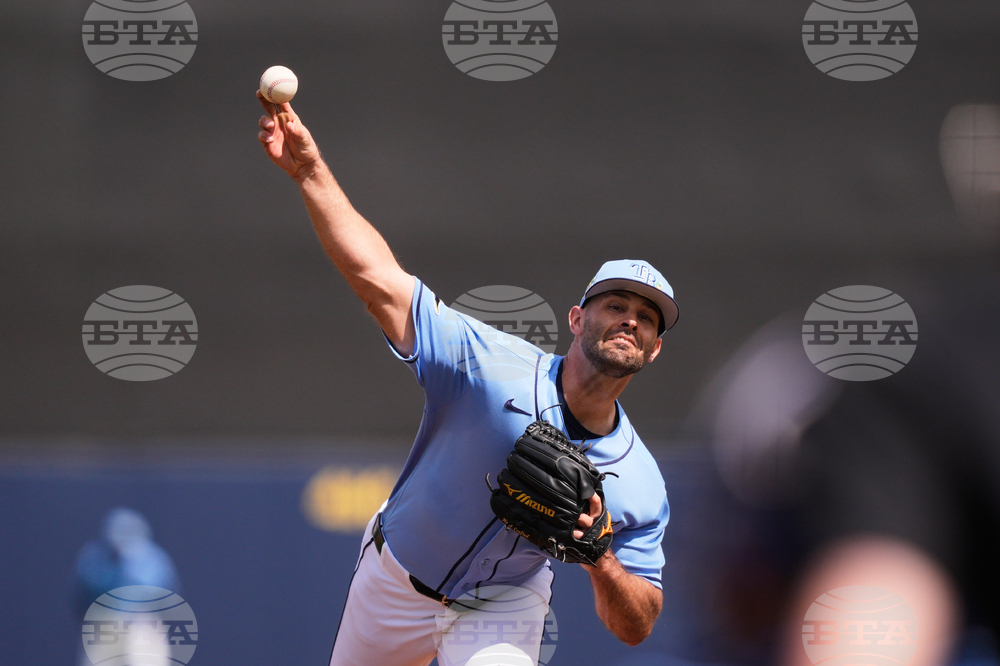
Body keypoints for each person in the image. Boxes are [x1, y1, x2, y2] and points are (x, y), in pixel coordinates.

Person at [255, 92, 676, 666]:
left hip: (502, 603)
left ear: (653, 350)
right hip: (395, 578)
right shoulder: (489, 366)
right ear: (577, 318)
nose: (631, 318)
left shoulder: (641, 482)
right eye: (616, 304)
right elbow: (377, 278)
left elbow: (637, 625)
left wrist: (602, 560)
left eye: (647, 317)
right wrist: (308, 170)